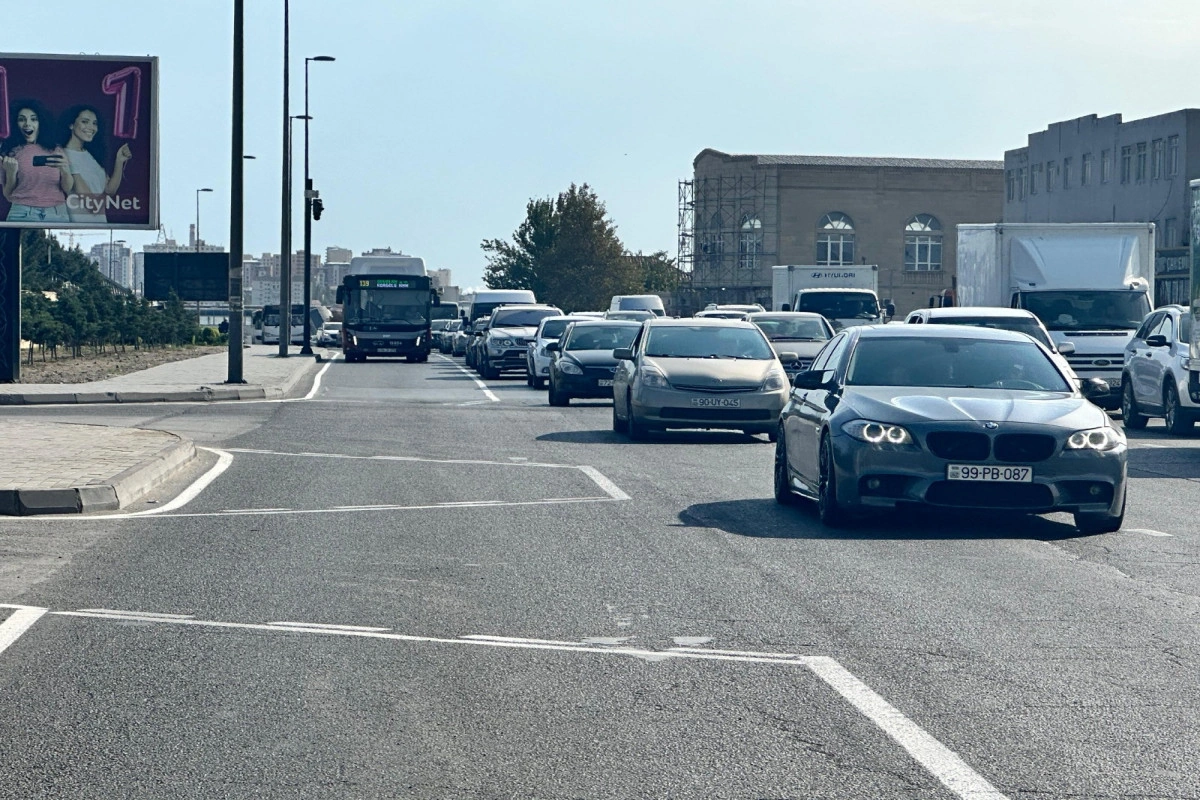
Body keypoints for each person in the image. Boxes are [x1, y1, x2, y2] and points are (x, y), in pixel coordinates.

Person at [1, 100, 73, 223]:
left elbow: (68, 189)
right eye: (22, 119)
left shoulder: (56, 149)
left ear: (41, 123)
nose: (27, 124)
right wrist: (11, 173)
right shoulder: (9, 152)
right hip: (22, 212)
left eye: (33, 119)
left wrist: (65, 170)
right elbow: (8, 195)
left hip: (56, 212)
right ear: (15, 124)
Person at [60, 105, 132, 224]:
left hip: (101, 224)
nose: (91, 127)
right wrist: (106, 195)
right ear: (71, 125)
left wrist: (119, 161)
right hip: (80, 226)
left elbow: (110, 190)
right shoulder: (66, 156)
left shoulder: (91, 155)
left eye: (94, 123)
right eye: (85, 122)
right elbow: (92, 205)